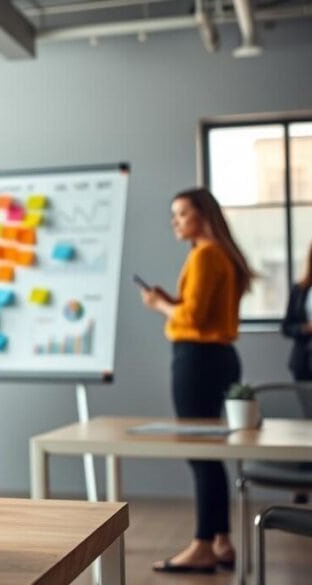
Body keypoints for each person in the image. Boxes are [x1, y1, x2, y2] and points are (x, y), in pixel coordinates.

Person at [140, 187, 254, 574]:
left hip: (198, 359)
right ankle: (220, 540)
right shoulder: (219, 254)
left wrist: (160, 305)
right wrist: (173, 301)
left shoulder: (205, 255)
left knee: (198, 450)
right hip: (219, 358)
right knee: (209, 451)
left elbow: (194, 319)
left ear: (204, 216)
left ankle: (203, 544)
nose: (175, 221)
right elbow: (197, 309)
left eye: (182, 213)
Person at [281, 241, 312, 382]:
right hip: (303, 361)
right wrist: (304, 328)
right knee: (307, 404)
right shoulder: (299, 289)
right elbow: (286, 327)